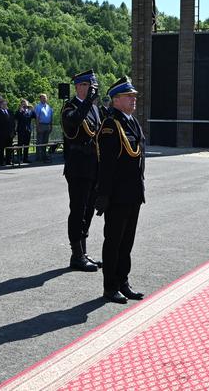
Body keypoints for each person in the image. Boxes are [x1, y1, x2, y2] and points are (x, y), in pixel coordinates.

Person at [94, 77, 146, 304]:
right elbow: (106, 165)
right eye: (129, 97)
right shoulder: (110, 125)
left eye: (134, 97)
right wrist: (103, 195)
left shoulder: (131, 121)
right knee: (114, 241)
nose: (133, 100)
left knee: (127, 242)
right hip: (117, 195)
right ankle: (110, 286)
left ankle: (123, 281)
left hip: (133, 193)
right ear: (116, 99)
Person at [61, 69, 103, 272]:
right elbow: (74, 121)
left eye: (93, 85)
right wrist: (88, 102)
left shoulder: (94, 108)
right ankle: (76, 254)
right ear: (78, 86)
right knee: (77, 210)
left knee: (88, 210)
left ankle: (83, 252)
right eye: (88, 85)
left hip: (93, 167)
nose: (92, 89)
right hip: (77, 169)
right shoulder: (69, 107)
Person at [0, 99, 15, 166]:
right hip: (1, 134)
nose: (5, 105)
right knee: (1, 149)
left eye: (6, 104)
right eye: (3, 104)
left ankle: (8, 161)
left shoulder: (10, 112)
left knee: (9, 149)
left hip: (9, 134)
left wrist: (13, 132)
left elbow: (13, 123)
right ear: (0, 105)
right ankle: (1, 162)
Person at [15, 99, 36, 163]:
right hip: (21, 130)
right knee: (20, 144)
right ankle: (19, 158)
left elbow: (35, 116)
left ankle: (25, 158)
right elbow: (16, 117)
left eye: (25, 103)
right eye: (23, 103)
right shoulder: (19, 111)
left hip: (28, 130)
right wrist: (20, 111)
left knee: (26, 145)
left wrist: (33, 109)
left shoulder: (30, 111)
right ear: (21, 104)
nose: (24, 105)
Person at [34, 93, 53, 162]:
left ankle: (44, 155)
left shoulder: (49, 107)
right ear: (40, 99)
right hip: (41, 125)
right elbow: (37, 118)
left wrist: (51, 126)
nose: (44, 99)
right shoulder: (38, 107)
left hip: (47, 125)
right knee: (40, 142)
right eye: (42, 98)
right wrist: (37, 127)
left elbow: (51, 117)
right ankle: (38, 157)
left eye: (45, 98)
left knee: (45, 142)